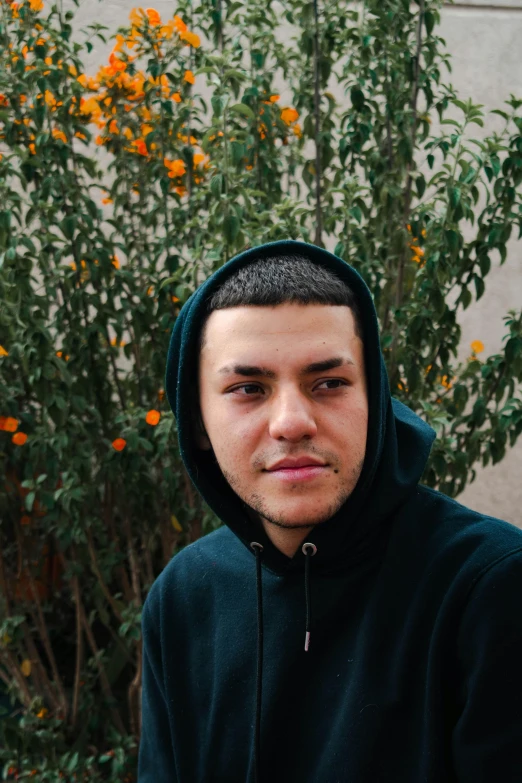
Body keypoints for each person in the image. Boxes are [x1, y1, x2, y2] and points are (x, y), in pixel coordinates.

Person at [137, 240, 522, 783]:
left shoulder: (490, 587)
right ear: (197, 422)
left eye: (329, 383)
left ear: (376, 398)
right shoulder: (183, 595)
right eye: (248, 388)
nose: (292, 422)